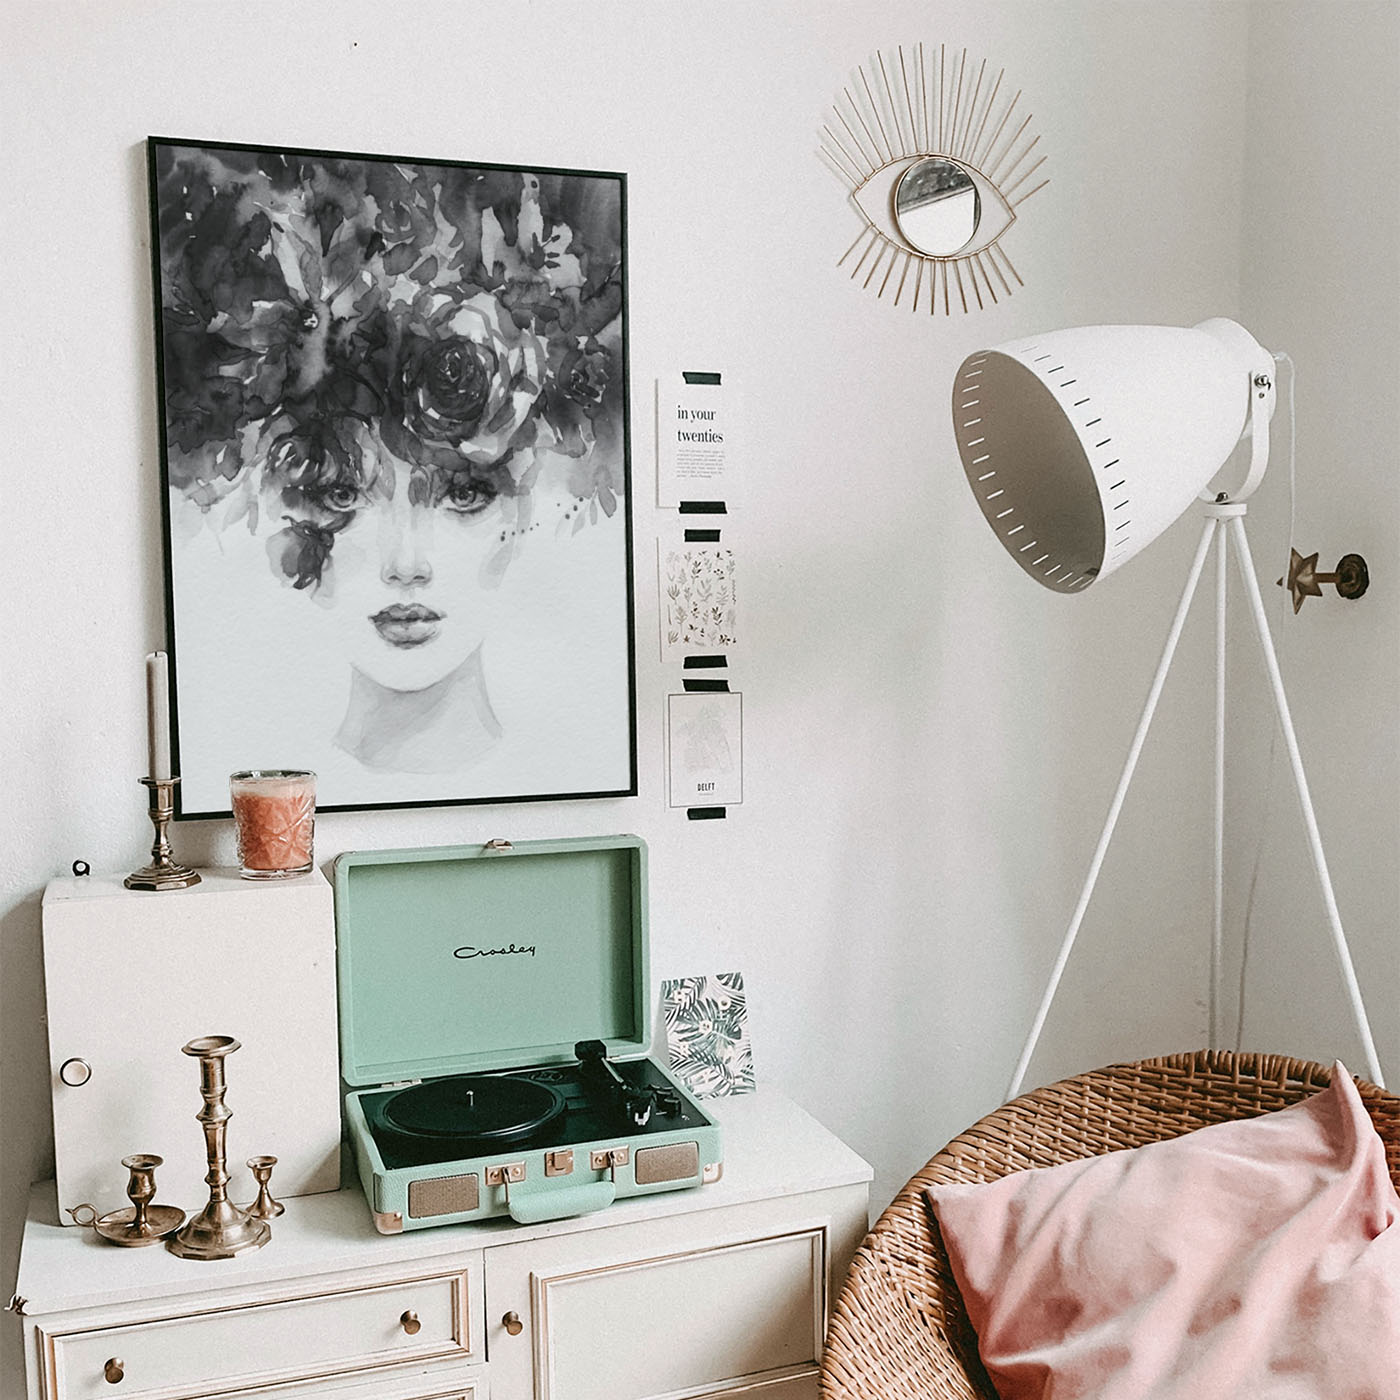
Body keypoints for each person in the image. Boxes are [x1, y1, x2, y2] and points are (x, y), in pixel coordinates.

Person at [153, 143, 626, 791]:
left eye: (464, 495)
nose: (406, 564)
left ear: (522, 503)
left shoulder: (572, 770)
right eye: (344, 493)